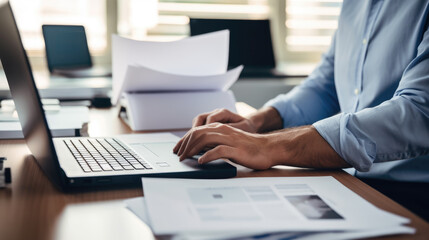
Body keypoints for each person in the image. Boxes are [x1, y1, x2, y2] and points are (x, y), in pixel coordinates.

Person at [174, 0, 429, 220]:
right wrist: (255, 124)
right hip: (346, 178)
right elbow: (325, 86)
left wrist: (269, 146)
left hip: (411, 193)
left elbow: (418, 112)